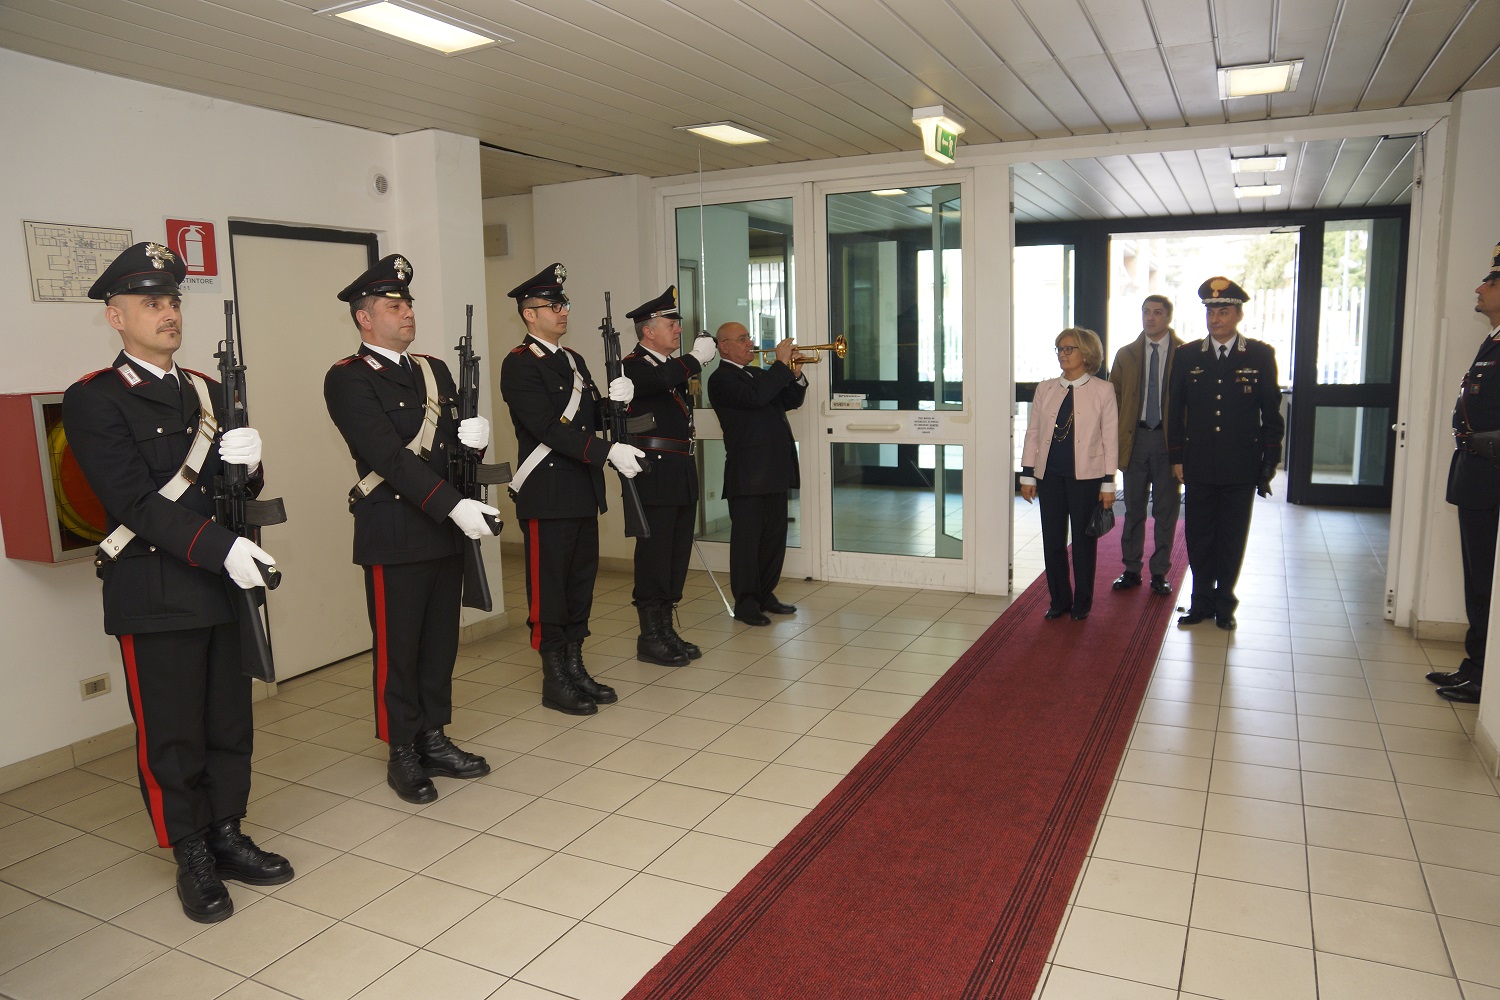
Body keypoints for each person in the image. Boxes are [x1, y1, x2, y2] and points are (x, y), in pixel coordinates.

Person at [62, 241, 292, 924]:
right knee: (172, 733)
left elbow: (232, 488)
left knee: (229, 721)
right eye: (150, 303)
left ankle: (227, 832)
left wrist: (250, 465)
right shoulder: (95, 399)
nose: (167, 314)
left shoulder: (207, 390)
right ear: (116, 317)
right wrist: (225, 548)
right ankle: (190, 851)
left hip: (221, 586)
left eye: (171, 301)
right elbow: (134, 503)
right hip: (155, 590)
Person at [324, 253, 498, 804]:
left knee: (439, 642)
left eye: (408, 305)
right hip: (395, 530)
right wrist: (454, 506)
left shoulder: (434, 370)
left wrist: (474, 444)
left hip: (444, 528)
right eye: (393, 306)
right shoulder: (347, 379)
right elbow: (389, 458)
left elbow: (449, 448)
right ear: (364, 318)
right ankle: (401, 749)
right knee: (399, 647)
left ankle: (434, 736)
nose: (407, 313)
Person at [499, 263, 643, 714]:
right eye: (553, 306)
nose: (563, 312)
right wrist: (605, 452)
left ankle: (576, 665)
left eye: (564, 304)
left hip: (581, 489)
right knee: (550, 592)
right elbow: (546, 427)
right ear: (529, 314)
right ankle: (554, 676)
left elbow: (590, 416)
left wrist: (617, 402)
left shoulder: (573, 359)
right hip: (547, 492)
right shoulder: (519, 364)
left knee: (580, 586)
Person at [1168, 276, 1284, 631]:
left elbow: (1271, 412)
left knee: (1232, 536)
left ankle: (1225, 604)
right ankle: (1200, 601)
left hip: (1240, 463)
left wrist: (1269, 460)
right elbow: (1175, 410)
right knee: (1199, 534)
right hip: (1199, 461)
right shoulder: (1188, 356)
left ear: (1238, 315)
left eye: (1223, 311)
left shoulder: (1260, 355)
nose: (1215, 318)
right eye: (1211, 312)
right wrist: (1176, 457)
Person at [623, 286, 717, 665]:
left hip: (679, 470)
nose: (679, 329)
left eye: (678, 323)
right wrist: (695, 358)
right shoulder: (632, 367)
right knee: (655, 555)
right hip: (654, 473)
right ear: (648, 331)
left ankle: (666, 628)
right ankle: (650, 636)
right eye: (671, 323)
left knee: (676, 555)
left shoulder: (669, 367)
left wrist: (688, 362)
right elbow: (656, 382)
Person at [1430, 242, 1500, 704]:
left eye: (1490, 282)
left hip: (1491, 476)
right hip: (1476, 473)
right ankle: (1474, 665)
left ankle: (1483, 675)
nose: (1479, 288)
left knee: (1487, 580)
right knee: (1476, 579)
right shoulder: (1493, 340)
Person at [709, 322, 806, 626]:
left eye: (748, 337)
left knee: (773, 539)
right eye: (742, 339)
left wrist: (795, 374)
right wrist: (780, 364)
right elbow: (756, 398)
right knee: (747, 544)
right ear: (724, 346)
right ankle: (746, 602)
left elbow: (790, 400)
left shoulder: (758, 373)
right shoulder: (721, 379)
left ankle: (765, 594)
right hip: (748, 474)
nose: (750, 343)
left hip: (775, 470)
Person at [1020, 328, 1118, 621]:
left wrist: (1108, 483)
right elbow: (1033, 432)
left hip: (1087, 478)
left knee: (1084, 542)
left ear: (1086, 353)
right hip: (1050, 476)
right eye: (1059, 349)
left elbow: (1109, 438)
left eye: (1069, 349)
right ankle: (1060, 599)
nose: (1062, 354)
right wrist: (1028, 475)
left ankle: (1082, 603)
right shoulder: (1046, 388)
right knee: (1053, 541)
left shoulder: (1103, 390)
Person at [1110, 295, 1184, 596]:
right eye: (1146, 312)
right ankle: (1131, 568)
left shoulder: (1184, 354)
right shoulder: (1126, 354)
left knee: (1166, 509)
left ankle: (1159, 572)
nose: (1150, 318)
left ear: (1168, 317)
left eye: (1157, 312)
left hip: (1168, 441)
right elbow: (1113, 398)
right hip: (1136, 438)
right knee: (1134, 507)